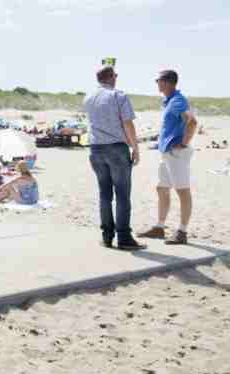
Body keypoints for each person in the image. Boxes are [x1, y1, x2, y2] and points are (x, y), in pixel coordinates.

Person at [84, 66, 145, 250]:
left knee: (104, 194)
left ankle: (107, 236)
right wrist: (135, 148)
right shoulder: (119, 95)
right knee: (122, 195)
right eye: (116, 75)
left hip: (95, 149)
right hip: (117, 148)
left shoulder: (88, 97)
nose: (117, 77)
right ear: (111, 77)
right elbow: (128, 124)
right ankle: (124, 237)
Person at [138, 70, 199, 245]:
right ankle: (159, 227)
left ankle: (182, 232)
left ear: (168, 82)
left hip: (176, 153)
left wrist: (184, 143)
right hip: (167, 153)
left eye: (158, 80)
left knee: (182, 190)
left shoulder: (178, 101)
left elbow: (192, 122)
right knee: (162, 188)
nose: (157, 83)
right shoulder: (170, 101)